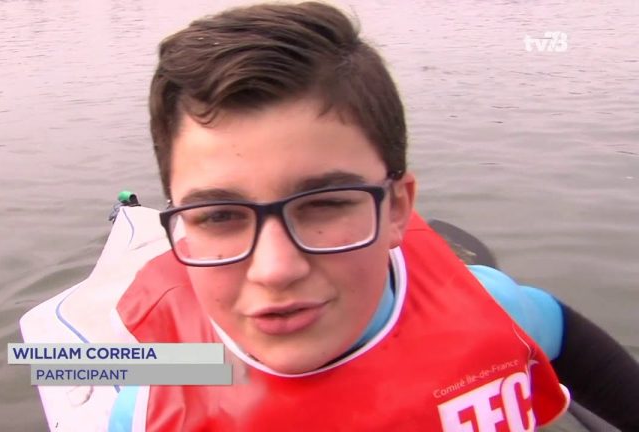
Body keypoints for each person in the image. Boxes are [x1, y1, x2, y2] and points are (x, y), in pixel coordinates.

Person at [108, 2, 639, 431]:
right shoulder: (153, 401)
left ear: (398, 210)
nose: (275, 269)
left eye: (326, 204)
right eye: (219, 215)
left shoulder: (490, 307)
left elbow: (564, 333)